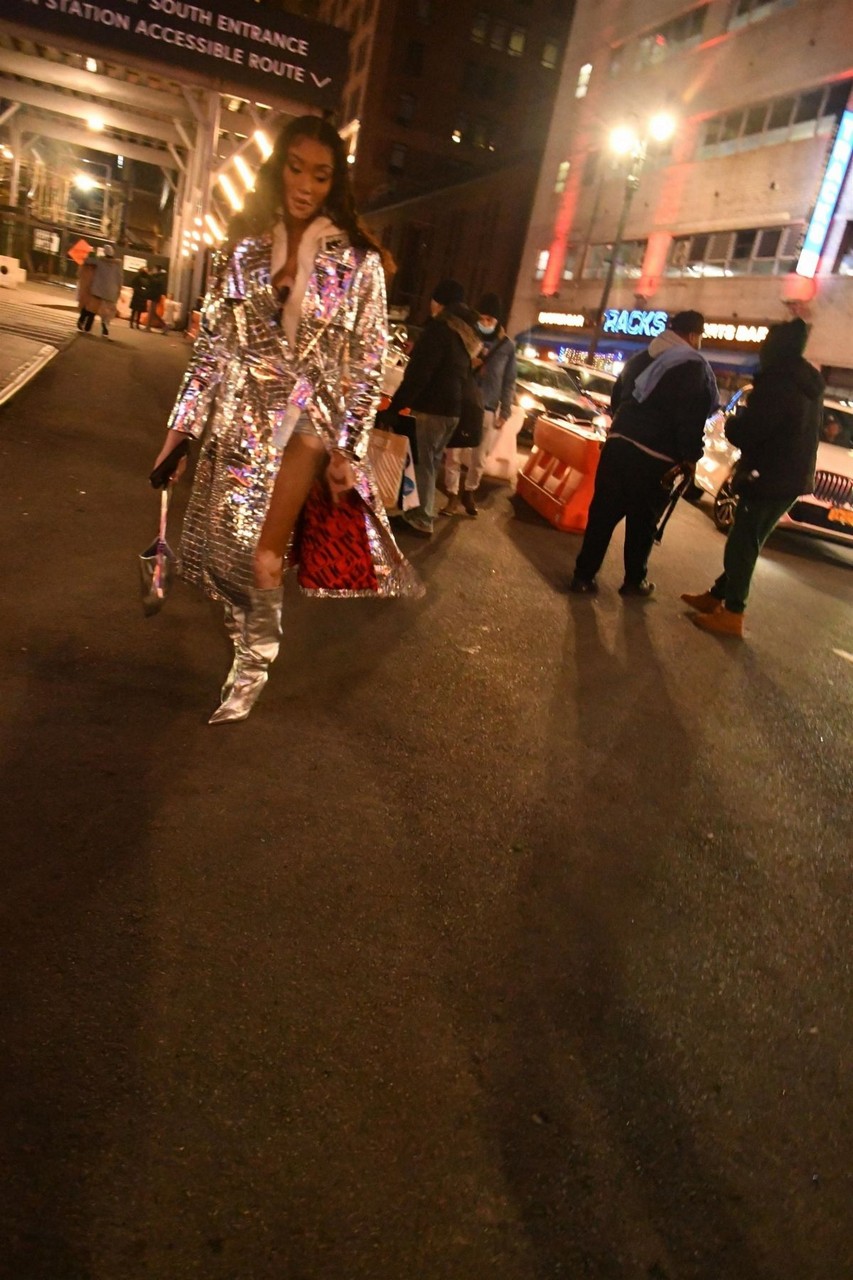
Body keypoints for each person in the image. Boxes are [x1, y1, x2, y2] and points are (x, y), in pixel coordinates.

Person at [150, 115, 421, 724]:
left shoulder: (357, 264)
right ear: (279, 171)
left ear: (334, 183)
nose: (304, 184)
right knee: (222, 549)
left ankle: (254, 662)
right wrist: (179, 432)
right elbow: (212, 348)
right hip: (238, 417)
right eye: (295, 169)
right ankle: (244, 622)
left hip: (306, 421)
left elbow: (367, 357)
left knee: (261, 552)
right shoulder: (243, 252)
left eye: (320, 175)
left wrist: (347, 446)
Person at [682, 317, 824, 638]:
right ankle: (717, 596)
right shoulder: (806, 381)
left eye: (765, 344)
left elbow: (751, 431)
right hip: (790, 476)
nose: (761, 350)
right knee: (750, 538)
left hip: (768, 475)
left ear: (775, 348)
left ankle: (733, 612)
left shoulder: (779, 382)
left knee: (742, 541)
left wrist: (734, 423)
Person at [569, 309, 718, 597]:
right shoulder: (693, 367)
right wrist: (690, 456)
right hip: (654, 458)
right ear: (692, 335)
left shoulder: (641, 357)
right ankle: (634, 581)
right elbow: (690, 417)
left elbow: (617, 397)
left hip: (618, 445)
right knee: (642, 523)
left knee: (602, 515)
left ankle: (583, 577)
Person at [381, 279, 482, 537]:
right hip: (451, 410)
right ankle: (417, 512)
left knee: (422, 462)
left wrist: (396, 405)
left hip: (432, 407)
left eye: (433, 300)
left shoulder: (439, 330)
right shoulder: (461, 334)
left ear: (439, 303)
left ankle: (421, 518)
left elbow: (419, 374)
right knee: (430, 461)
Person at [442, 291, 517, 517]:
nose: (485, 322)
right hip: (462, 403)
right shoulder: (467, 337)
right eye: (482, 318)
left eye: (490, 319)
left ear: (497, 321)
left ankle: (469, 491)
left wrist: (505, 410)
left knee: (479, 456)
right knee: (453, 453)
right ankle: (452, 495)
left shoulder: (506, 346)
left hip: (488, 408)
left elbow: (509, 380)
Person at [88, 245, 124, 337]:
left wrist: (91, 253)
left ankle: (89, 326)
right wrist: (119, 288)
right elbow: (120, 277)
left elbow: (88, 261)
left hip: (99, 289)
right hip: (112, 291)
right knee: (109, 310)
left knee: (97, 308)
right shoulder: (118, 264)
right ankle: (105, 325)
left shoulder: (100, 261)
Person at [76, 251, 98, 331]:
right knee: (93, 309)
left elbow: (78, 274)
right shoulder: (97, 267)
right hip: (95, 290)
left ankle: (81, 320)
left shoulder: (83, 265)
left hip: (84, 289)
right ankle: (88, 326)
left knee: (85, 307)